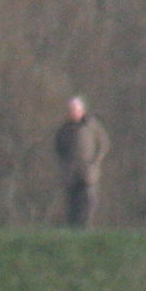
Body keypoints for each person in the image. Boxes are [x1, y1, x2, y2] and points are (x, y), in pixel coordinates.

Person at [53, 95, 106, 228]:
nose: (73, 112)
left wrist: (95, 162)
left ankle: (86, 229)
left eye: (76, 110)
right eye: (71, 110)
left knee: (88, 203)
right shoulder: (64, 129)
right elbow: (58, 148)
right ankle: (73, 231)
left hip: (88, 173)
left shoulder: (92, 126)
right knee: (72, 204)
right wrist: (65, 164)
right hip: (70, 174)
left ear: (82, 110)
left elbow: (103, 145)